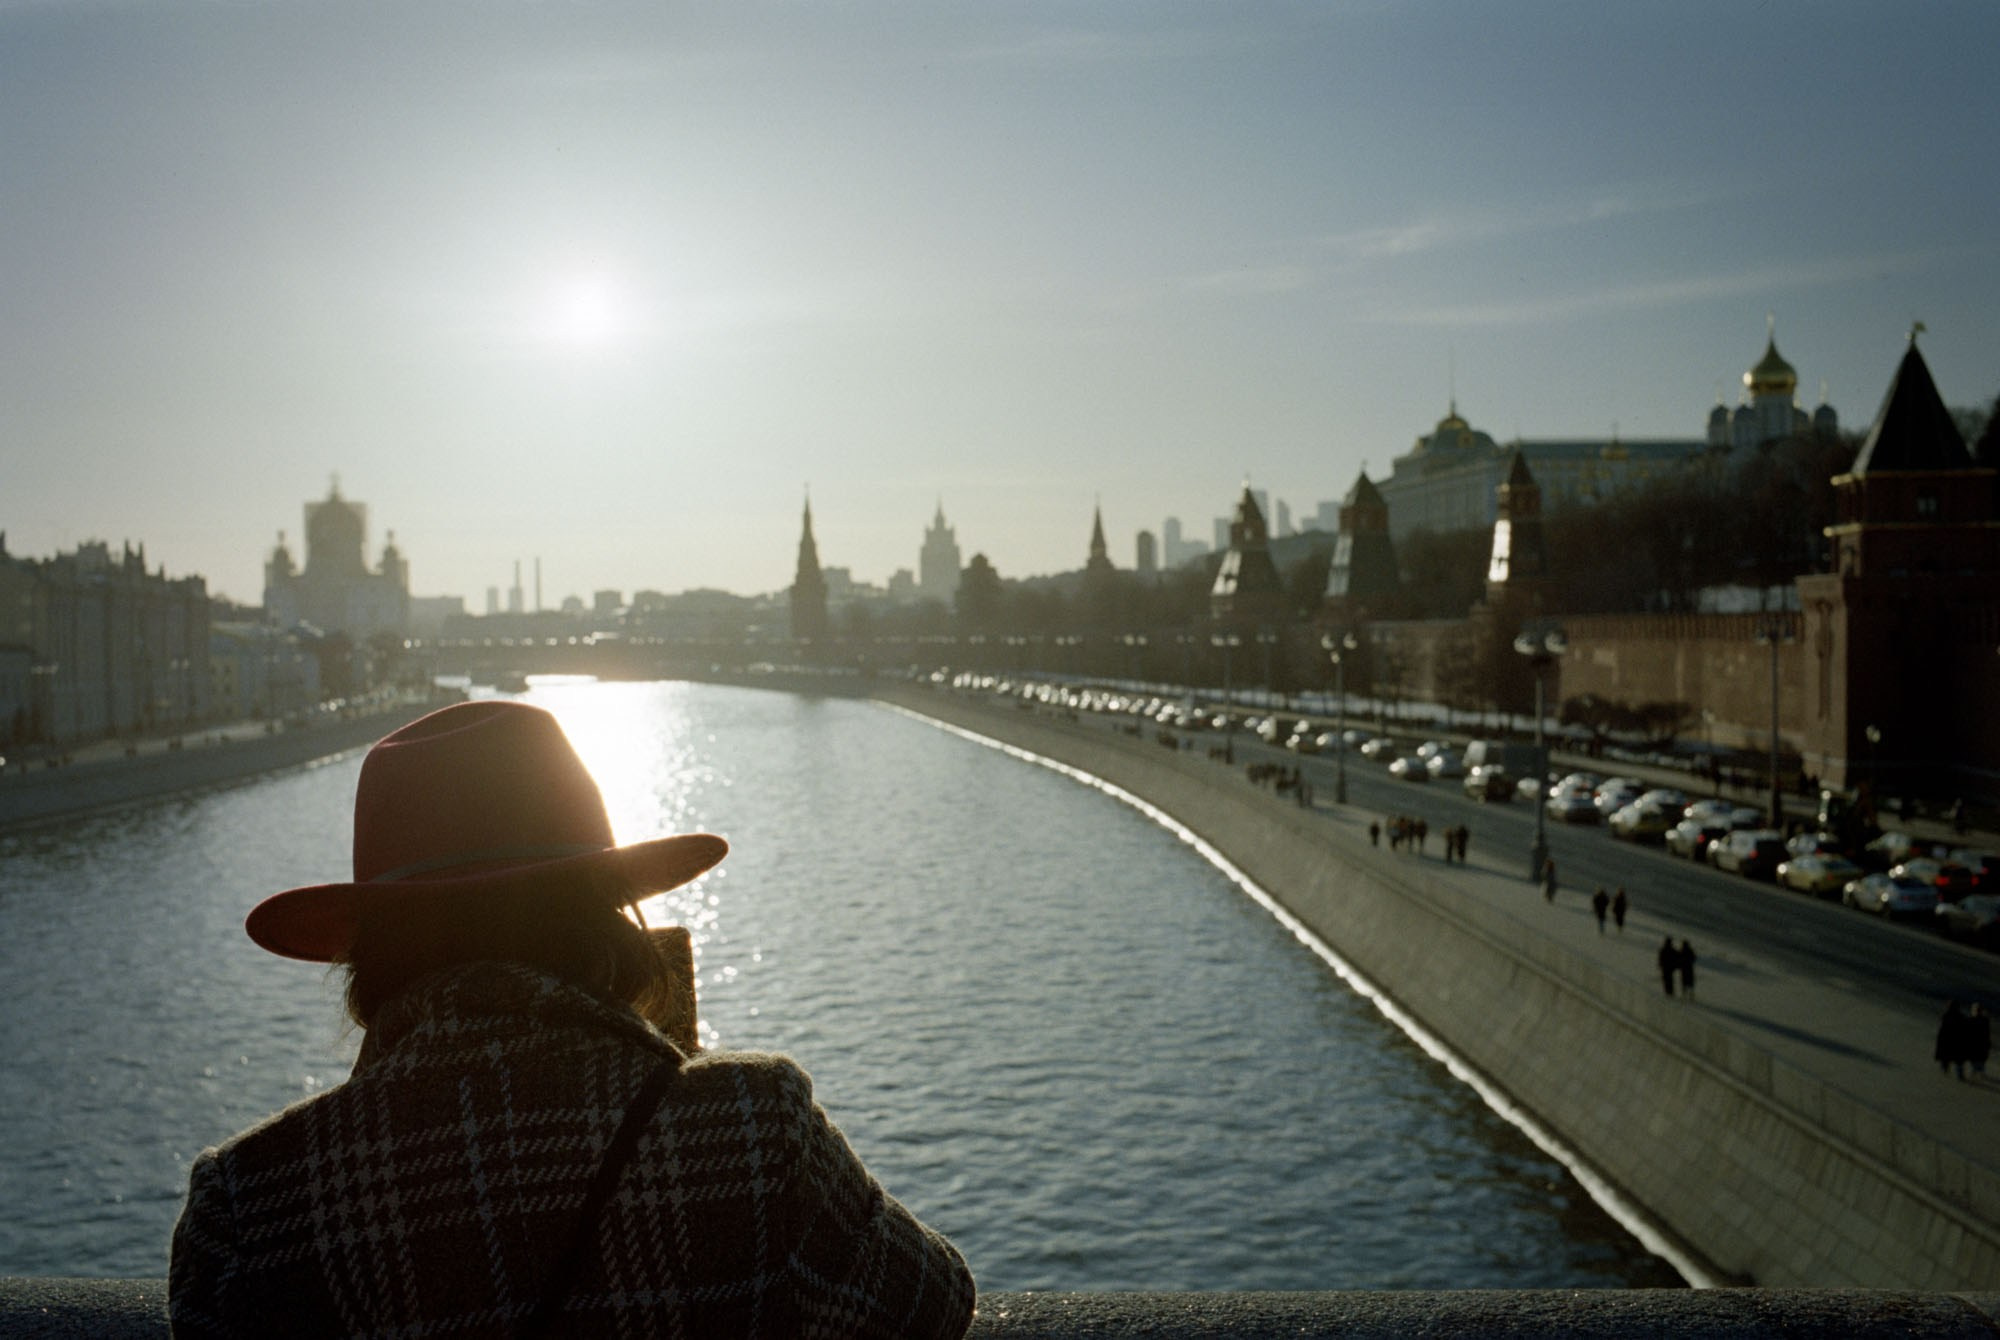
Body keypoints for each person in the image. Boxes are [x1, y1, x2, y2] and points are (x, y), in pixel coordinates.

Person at [168, 700, 975, 1339]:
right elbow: (933, 1308)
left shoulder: (248, 1204)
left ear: (367, 955)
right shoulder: (754, 1129)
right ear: (612, 922)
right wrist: (661, 1071)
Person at [1937, 1000, 1970, 1080]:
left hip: (1947, 1040)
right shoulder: (1961, 1016)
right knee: (1959, 1060)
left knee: (1946, 1057)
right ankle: (1959, 1075)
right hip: (1957, 1041)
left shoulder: (1946, 1015)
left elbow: (1942, 1029)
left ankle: (1946, 1069)